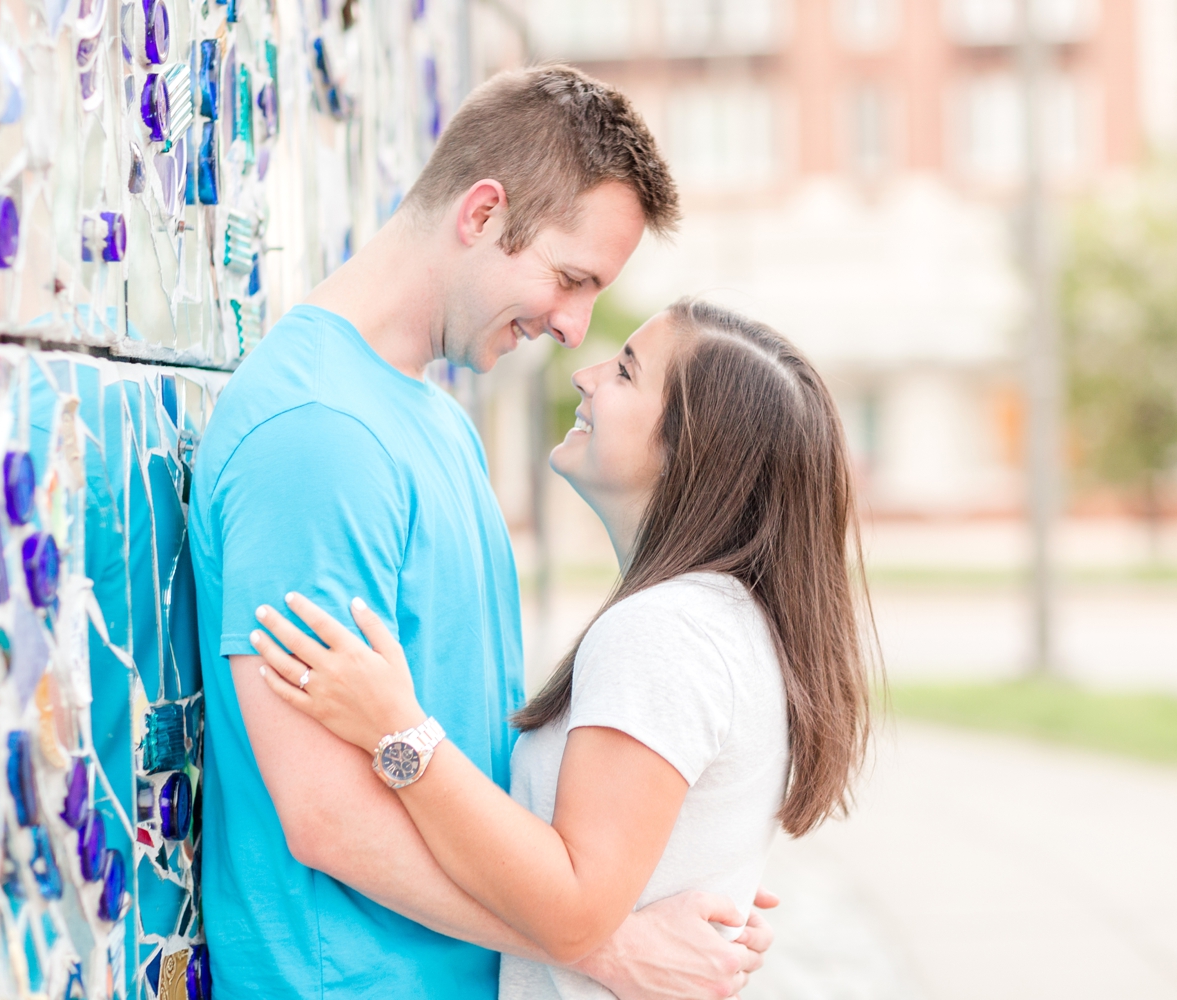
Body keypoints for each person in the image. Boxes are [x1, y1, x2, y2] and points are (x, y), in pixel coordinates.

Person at [188, 67, 774, 999]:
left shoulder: (437, 423)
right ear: (482, 212)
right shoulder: (316, 438)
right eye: (569, 278)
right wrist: (597, 942)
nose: (574, 326)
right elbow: (327, 820)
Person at [247, 299, 879, 999]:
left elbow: (574, 910)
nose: (585, 374)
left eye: (627, 373)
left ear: (692, 450)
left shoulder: (667, 632)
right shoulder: (722, 619)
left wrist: (398, 734)